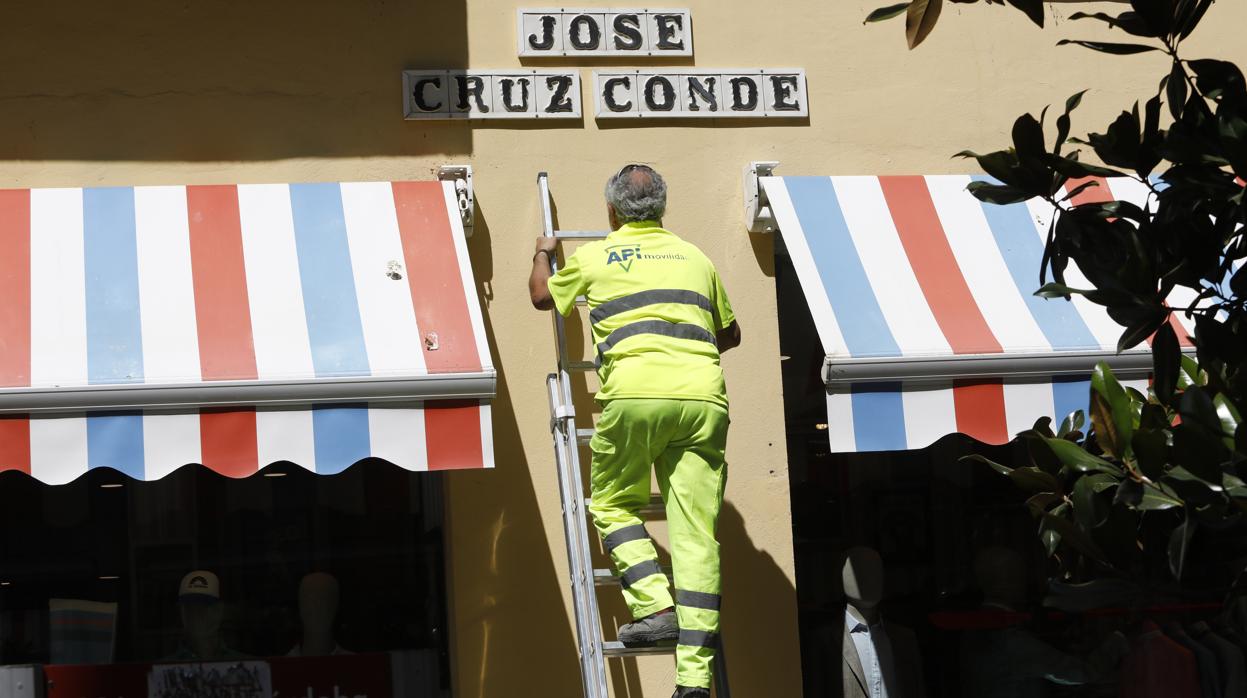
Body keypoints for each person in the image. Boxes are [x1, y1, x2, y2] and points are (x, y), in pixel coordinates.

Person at [529, 164, 741, 698]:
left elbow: (539, 297)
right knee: (695, 538)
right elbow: (730, 333)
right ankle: (694, 682)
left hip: (635, 396)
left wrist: (543, 252)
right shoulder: (695, 256)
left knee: (610, 503)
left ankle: (654, 604)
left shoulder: (596, 255)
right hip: (703, 400)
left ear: (611, 211)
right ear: (663, 208)